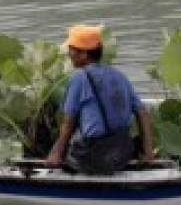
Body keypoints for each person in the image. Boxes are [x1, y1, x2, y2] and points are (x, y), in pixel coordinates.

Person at [45, 24, 155, 174]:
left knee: (71, 150)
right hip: (122, 152)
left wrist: (57, 154)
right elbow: (142, 113)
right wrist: (148, 153)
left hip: (96, 157)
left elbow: (68, 123)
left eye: (71, 50)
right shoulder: (120, 75)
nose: (69, 54)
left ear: (84, 54)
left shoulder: (79, 78)